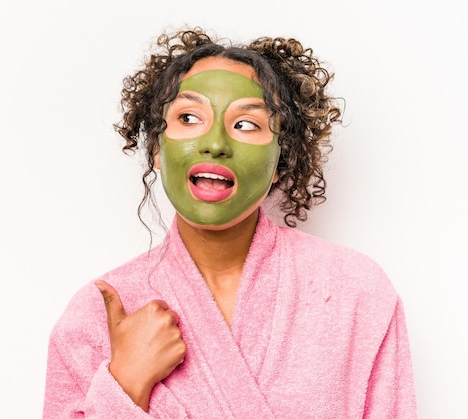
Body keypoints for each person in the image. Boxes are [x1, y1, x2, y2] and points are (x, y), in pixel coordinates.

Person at [42, 27, 417, 418]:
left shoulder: (354, 291)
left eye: (246, 124)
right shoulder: (95, 315)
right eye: (189, 117)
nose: (216, 143)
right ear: (155, 147)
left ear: (279, 161)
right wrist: (127, 381)